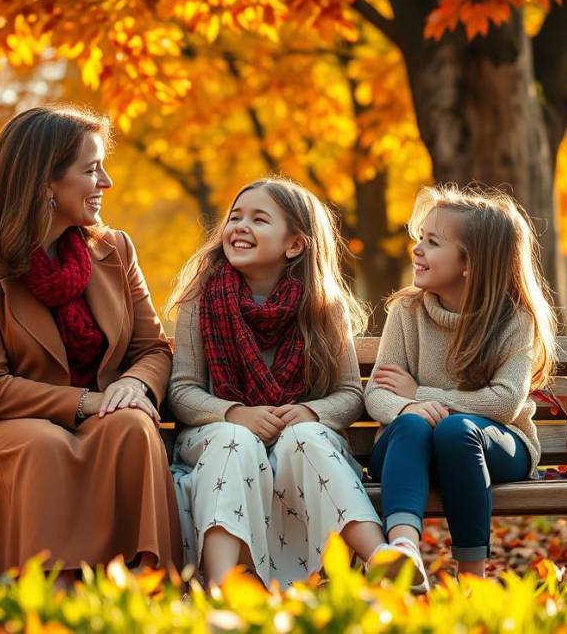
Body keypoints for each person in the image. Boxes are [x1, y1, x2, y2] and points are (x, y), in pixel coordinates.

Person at [0, 105, 182, 581]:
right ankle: (53, 594)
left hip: (99, 423)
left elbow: (152, 348)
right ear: (45, 182)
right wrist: (88, 401)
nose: (106, 182)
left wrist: (132, 385)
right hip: (1, 429)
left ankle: (147, 587)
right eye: (91, 170)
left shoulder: (116, 250)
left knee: (132, 426)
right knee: (44, 442)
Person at [166, 177, 403, 588]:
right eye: (235, 217)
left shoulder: (325, 309)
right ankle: (223, 588)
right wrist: (235, 414)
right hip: (214, 439)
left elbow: (350, 395)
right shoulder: (200, 302)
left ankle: (380, 557)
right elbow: (183, 392)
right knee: (234, 441)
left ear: (294, 245)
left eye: (259, 219)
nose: (240, 226)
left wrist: (310, 412)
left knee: (306, 437)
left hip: (300, 442)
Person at [365, 183, 558, 589]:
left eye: (432, 242)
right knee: (416, 424)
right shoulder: (406, 312)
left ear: (471, 263)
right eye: (420, 238)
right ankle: (404, 551)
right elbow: (379, 392)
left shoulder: (514, 320)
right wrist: (406, 407)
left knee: (455, 430)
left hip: (494, 448)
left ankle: (472, 579)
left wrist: (420, 394)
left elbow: (505, 402)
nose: (417, 249)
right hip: (408, 449)